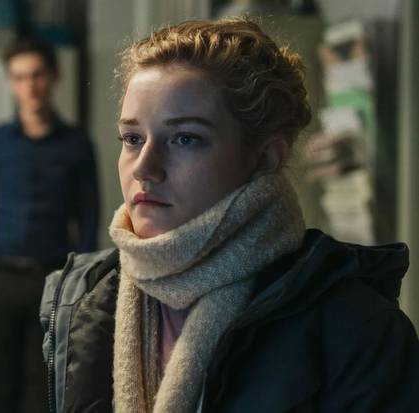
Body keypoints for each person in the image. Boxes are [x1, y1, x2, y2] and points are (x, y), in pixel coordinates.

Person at [40, 18, 419, 413]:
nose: (144, 168)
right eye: (132, 138)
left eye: (185, 138)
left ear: (264, 158)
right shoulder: (78, 299)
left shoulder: (357, 328)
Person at [0, 38, 100, 413]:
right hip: (1, 275)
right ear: (11, 82)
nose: (30, 86)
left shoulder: (77, 144)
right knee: (1, 382)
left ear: (54, 77)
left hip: (55, 277)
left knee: (49, 381)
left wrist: (86, 278)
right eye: (20, 77)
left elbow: (89, 214)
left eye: (37, 75)